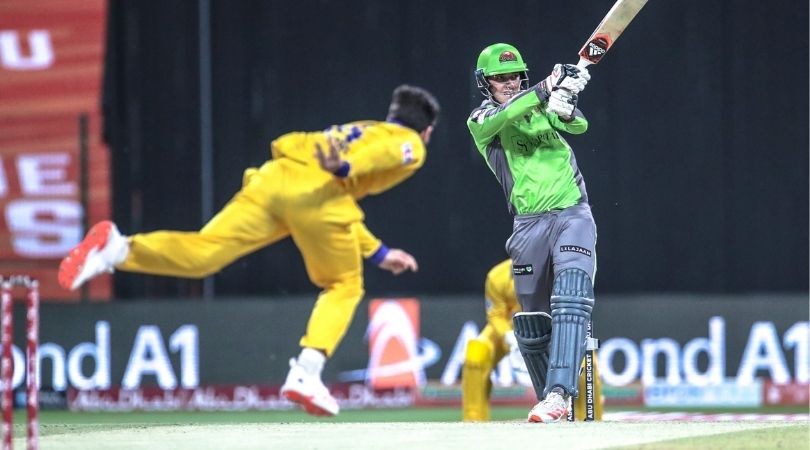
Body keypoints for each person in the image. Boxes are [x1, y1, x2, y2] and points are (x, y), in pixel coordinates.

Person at [58, 84, 441, 417]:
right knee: (345, 286)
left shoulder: (363, 127)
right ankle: (306, 373)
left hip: (276, 179)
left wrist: (378, 252)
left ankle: (118, 249)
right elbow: (378, 160)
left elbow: (340, 204)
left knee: (205, 253)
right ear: (426, 131)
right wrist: (345, 166)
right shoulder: (409, 143)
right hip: (318, 195)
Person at [466, 43, 597, 423]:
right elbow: (506, 114)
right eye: (500, 78)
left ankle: (559, 393)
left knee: (571, 296)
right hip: (527, 225)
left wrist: (564, 103)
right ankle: (552, 406)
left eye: (514, 76)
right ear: (485, 83)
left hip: (572, 213)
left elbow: (578, 125)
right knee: (532, 323)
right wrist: (546, 87)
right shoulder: (481, 120)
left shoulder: (542, 106)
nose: (509, 82)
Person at [461, 259, 603, 422]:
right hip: (510, 330)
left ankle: (592, 420)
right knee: (476, 352)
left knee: (585, 362)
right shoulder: (497, 276)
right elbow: (496, 315)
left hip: (551, 328)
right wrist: (509, 337)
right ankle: (473, 420)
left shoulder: (557, 272)